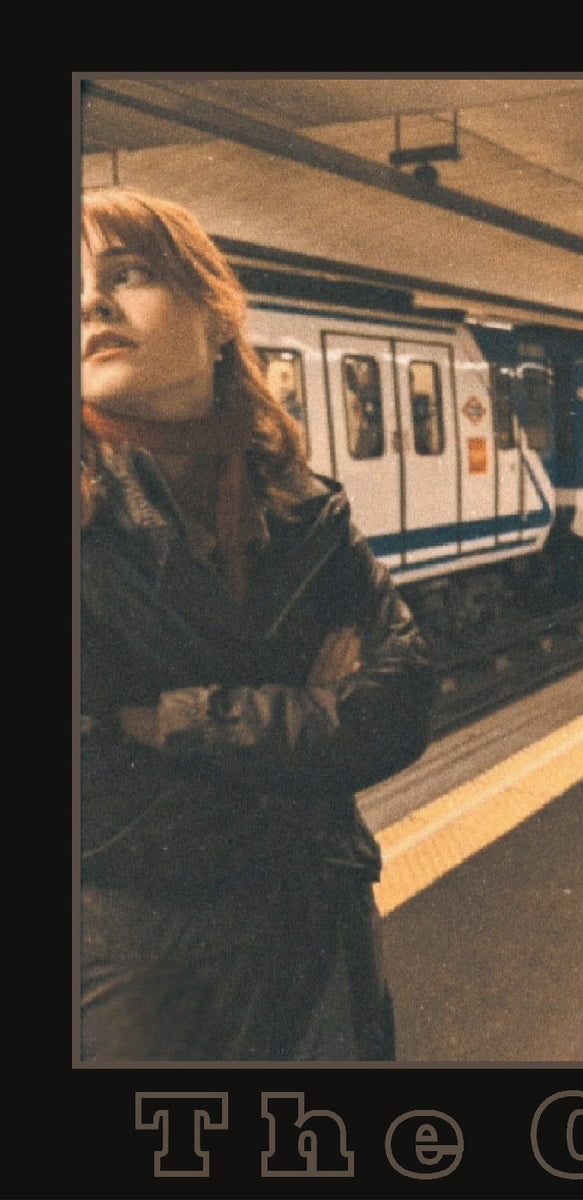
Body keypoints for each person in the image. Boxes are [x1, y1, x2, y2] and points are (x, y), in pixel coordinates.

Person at [79, 187, 438, 1061]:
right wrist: (306, 728)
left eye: (127, 273)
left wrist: (171, 721)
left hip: (327, 958)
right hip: (149, 986)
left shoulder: (304, 508)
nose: (91, 303)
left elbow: (403, 701)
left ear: (215, 316)